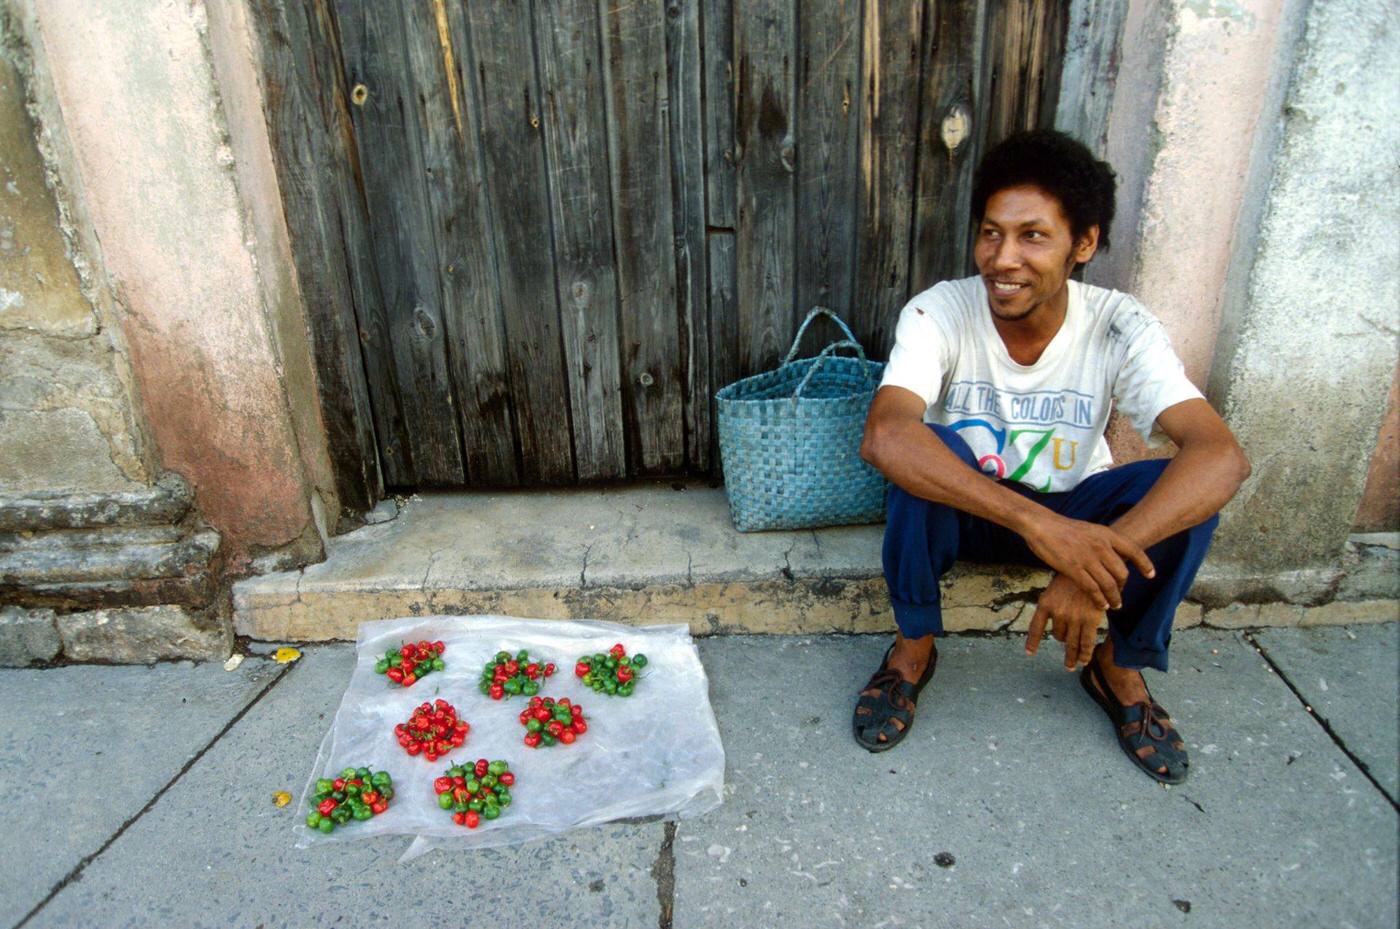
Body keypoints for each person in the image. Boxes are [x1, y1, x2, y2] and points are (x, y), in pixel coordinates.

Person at [851, 129, 1250, 783]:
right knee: (924, 457)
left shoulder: (1120, 324)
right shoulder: (940, 311)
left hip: (1078, 508)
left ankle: (1117, 666)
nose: (1002, 258)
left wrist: (1091, 560)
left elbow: (1222, 457)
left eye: (1032, 235)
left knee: (1185, 493)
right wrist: (1046, 531)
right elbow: (885, 435)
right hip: (978, 509)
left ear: (1083, 244)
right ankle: (912, 649)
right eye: (990, 232)